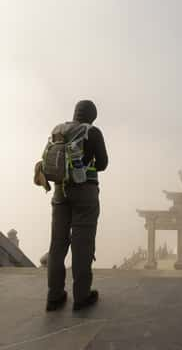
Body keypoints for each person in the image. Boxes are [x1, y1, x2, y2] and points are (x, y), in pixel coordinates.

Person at [45, 100, 108, 312]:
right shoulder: (92, 132)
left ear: (74, 113)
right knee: (82, 244)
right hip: (85, 192)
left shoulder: (57, 130)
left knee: (57, 244)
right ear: (92, 116)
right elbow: (103, 164)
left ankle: (54, 296)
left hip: (60, 191)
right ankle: (81, 296)